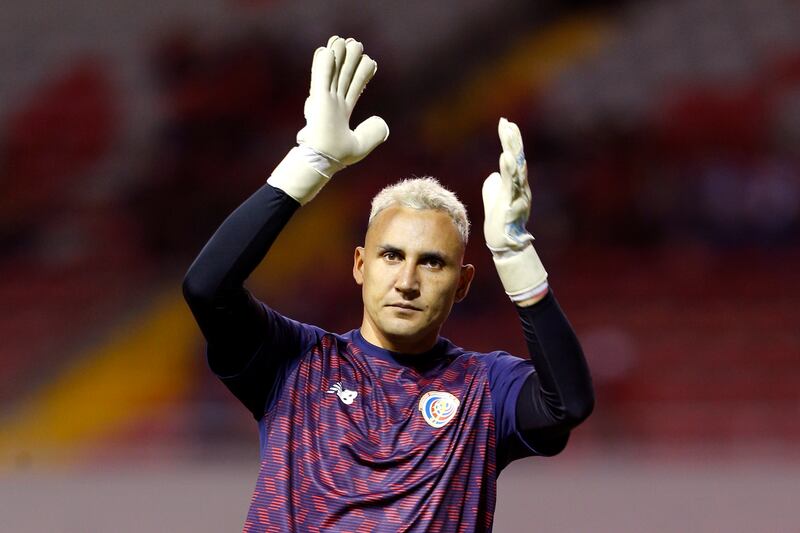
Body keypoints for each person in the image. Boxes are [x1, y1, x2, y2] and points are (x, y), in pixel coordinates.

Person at [183, 35, 594, 533]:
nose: (407, 280)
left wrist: (515, 256)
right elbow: (208, 288)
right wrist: (308, 163)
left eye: (432, 263)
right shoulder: (294, 363)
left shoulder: (484, 389)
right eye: (392, 255)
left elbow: (567, 404)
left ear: (463, 283)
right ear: (360, 264)